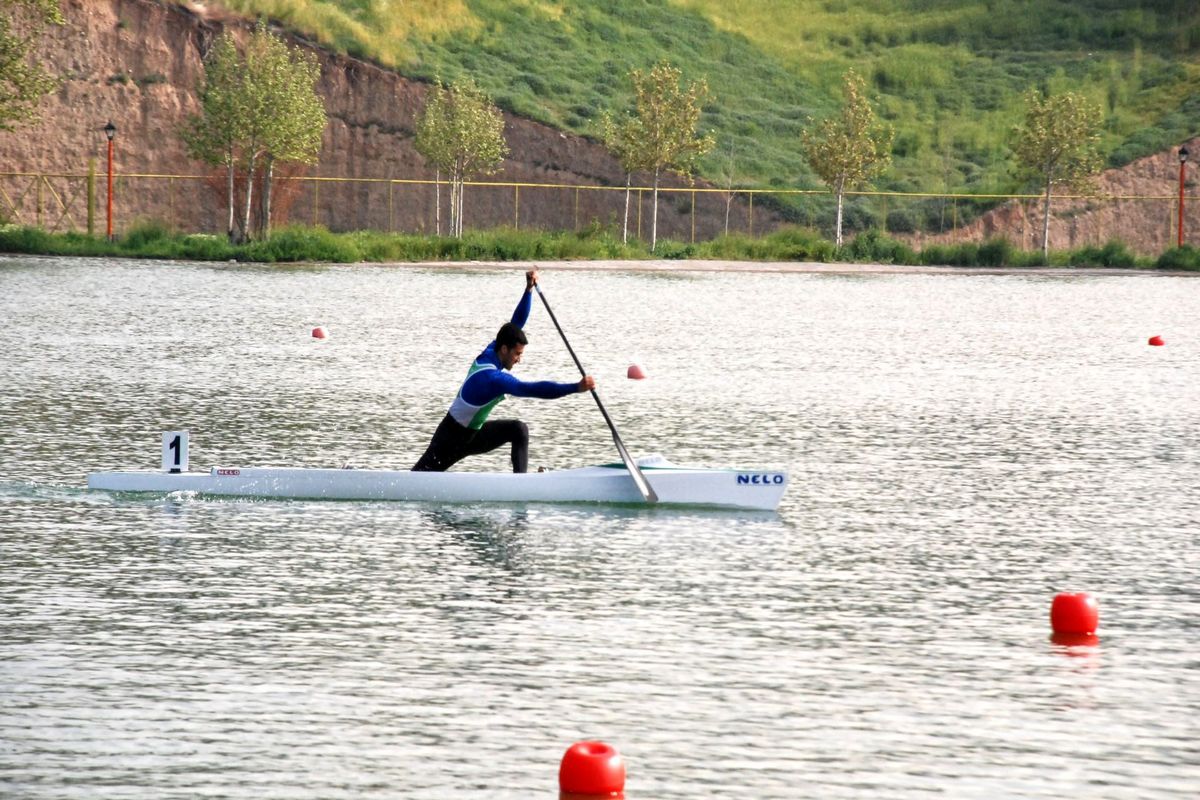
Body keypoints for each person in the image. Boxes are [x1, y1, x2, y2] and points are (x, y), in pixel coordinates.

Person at [412, 270, 594, 473]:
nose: (519, 359)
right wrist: (575, 387)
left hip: (472, 435)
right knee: (415, 480)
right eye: (517, 354)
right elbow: (530, 389)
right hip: (449, 440)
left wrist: (528, 291)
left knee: (518, 430)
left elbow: (516, 323)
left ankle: (521, 485)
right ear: (505, 349)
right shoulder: (492, 379)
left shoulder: (493, 349)